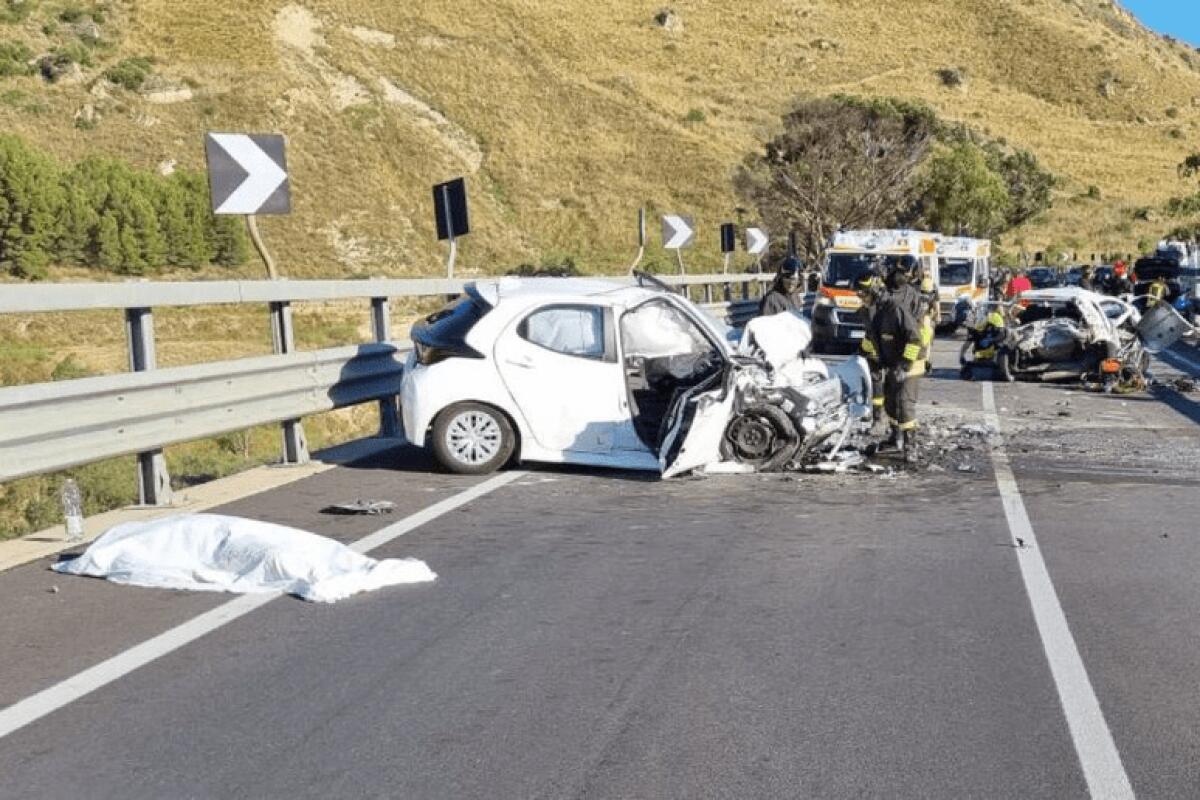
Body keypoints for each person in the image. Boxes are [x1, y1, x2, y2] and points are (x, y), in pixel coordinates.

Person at [865, 256, 924, 463]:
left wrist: (904, 365)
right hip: (891, 359)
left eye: (907, 274)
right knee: (890, 403)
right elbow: (872, 335)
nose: (905, 277)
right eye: (902, 273)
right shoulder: (880, 301)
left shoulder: (909, 299)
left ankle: (910, 444)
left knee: (904, 402)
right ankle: (895, 435)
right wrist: (874, 360)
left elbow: (915, 336)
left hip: (911, 359)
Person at [855, 270, 887, 432]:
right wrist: (863, 349)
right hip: (871, 351)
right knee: (870, 383)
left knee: (879, 386)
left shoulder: (881, 308)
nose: (861, 297)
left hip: (882, 352)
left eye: (864, 294)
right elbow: (869, 334)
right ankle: (872, 414)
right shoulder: (867, 309)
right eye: (859, 294)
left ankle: (879, 419)